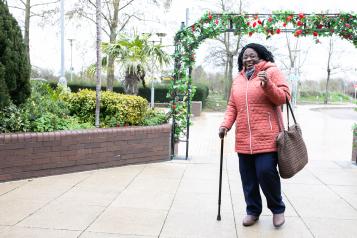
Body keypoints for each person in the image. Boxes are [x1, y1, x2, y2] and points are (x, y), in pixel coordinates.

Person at [218, 43, 291, 228]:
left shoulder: (271, 71)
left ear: (261, 56)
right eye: (245, 56)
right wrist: (225, 125)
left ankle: (277, 209)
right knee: (248, 177)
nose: (248, 59)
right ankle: (252, 211)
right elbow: (232, 106)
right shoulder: (238, 79)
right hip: (243, 137)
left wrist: (268, 85)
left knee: (266, 172)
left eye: (253, 56)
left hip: (268, 136)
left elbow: (284, 97)